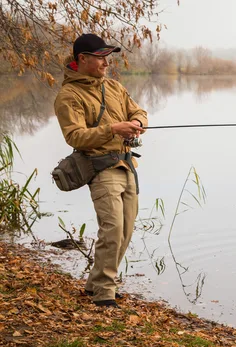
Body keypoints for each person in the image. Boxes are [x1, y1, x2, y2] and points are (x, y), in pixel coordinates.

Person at [54, 33, 148, 308]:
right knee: (112, 229)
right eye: (100, 57)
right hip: (100, 168)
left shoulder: (115, 87)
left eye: (107, 56)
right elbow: (75, 137)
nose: (106, 62)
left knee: (126, 229)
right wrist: (113, 129)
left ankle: (96, 283)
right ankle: (105, 293)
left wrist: (138, 121)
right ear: (82, 59)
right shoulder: (68, 95)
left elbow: (139, 111)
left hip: (127, 165)